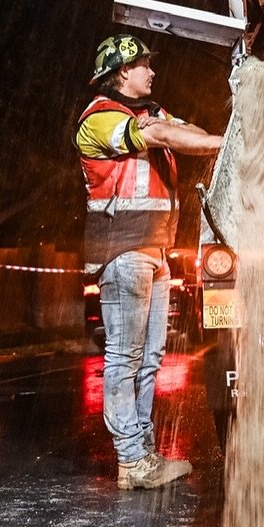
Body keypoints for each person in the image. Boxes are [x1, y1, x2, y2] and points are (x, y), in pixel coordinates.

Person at [76, 33, 222, 488]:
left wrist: (219, 139)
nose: (152, 71)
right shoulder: (99, 119)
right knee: (124, 357)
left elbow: (187, 133)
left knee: (151, 356)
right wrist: (225, 142)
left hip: (154, 251)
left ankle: (143, 454)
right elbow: (161, 136)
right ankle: (131, 458)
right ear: (121, 71)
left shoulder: (152, 112)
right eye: (143, 65)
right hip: (122, 252)